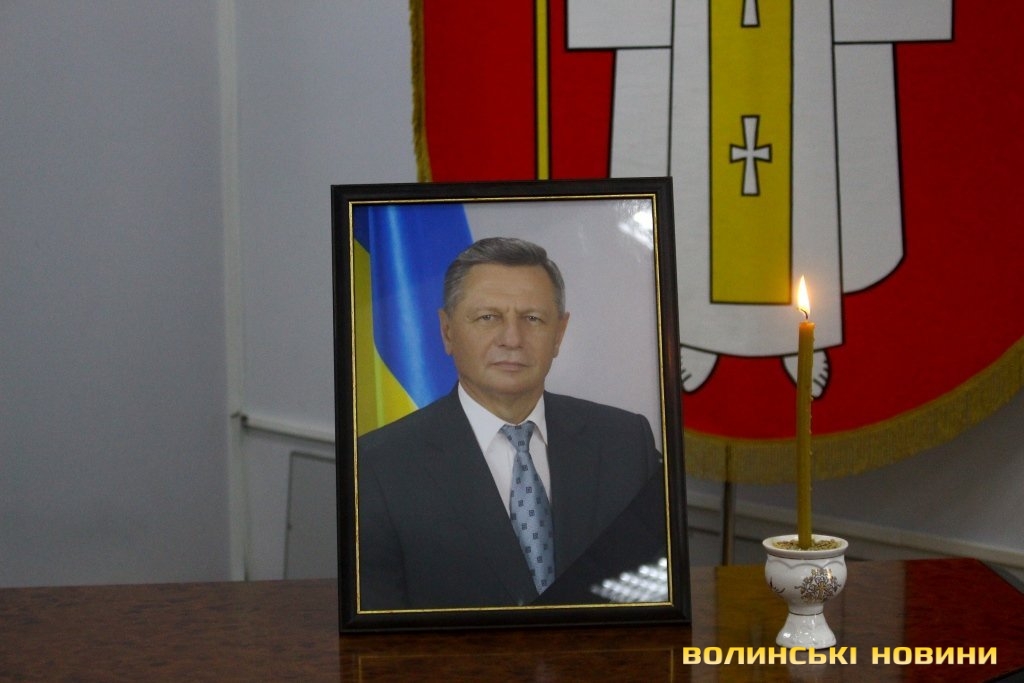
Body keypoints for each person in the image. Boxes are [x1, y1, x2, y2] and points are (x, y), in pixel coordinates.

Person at [356, 237, 666, 610]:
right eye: (488, 318)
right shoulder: (377, 465)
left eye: (532, 319)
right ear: (447, 331)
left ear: (559, 333)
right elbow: (379, 629)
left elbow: (651, 595)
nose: (512, 339)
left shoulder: (626, 442)